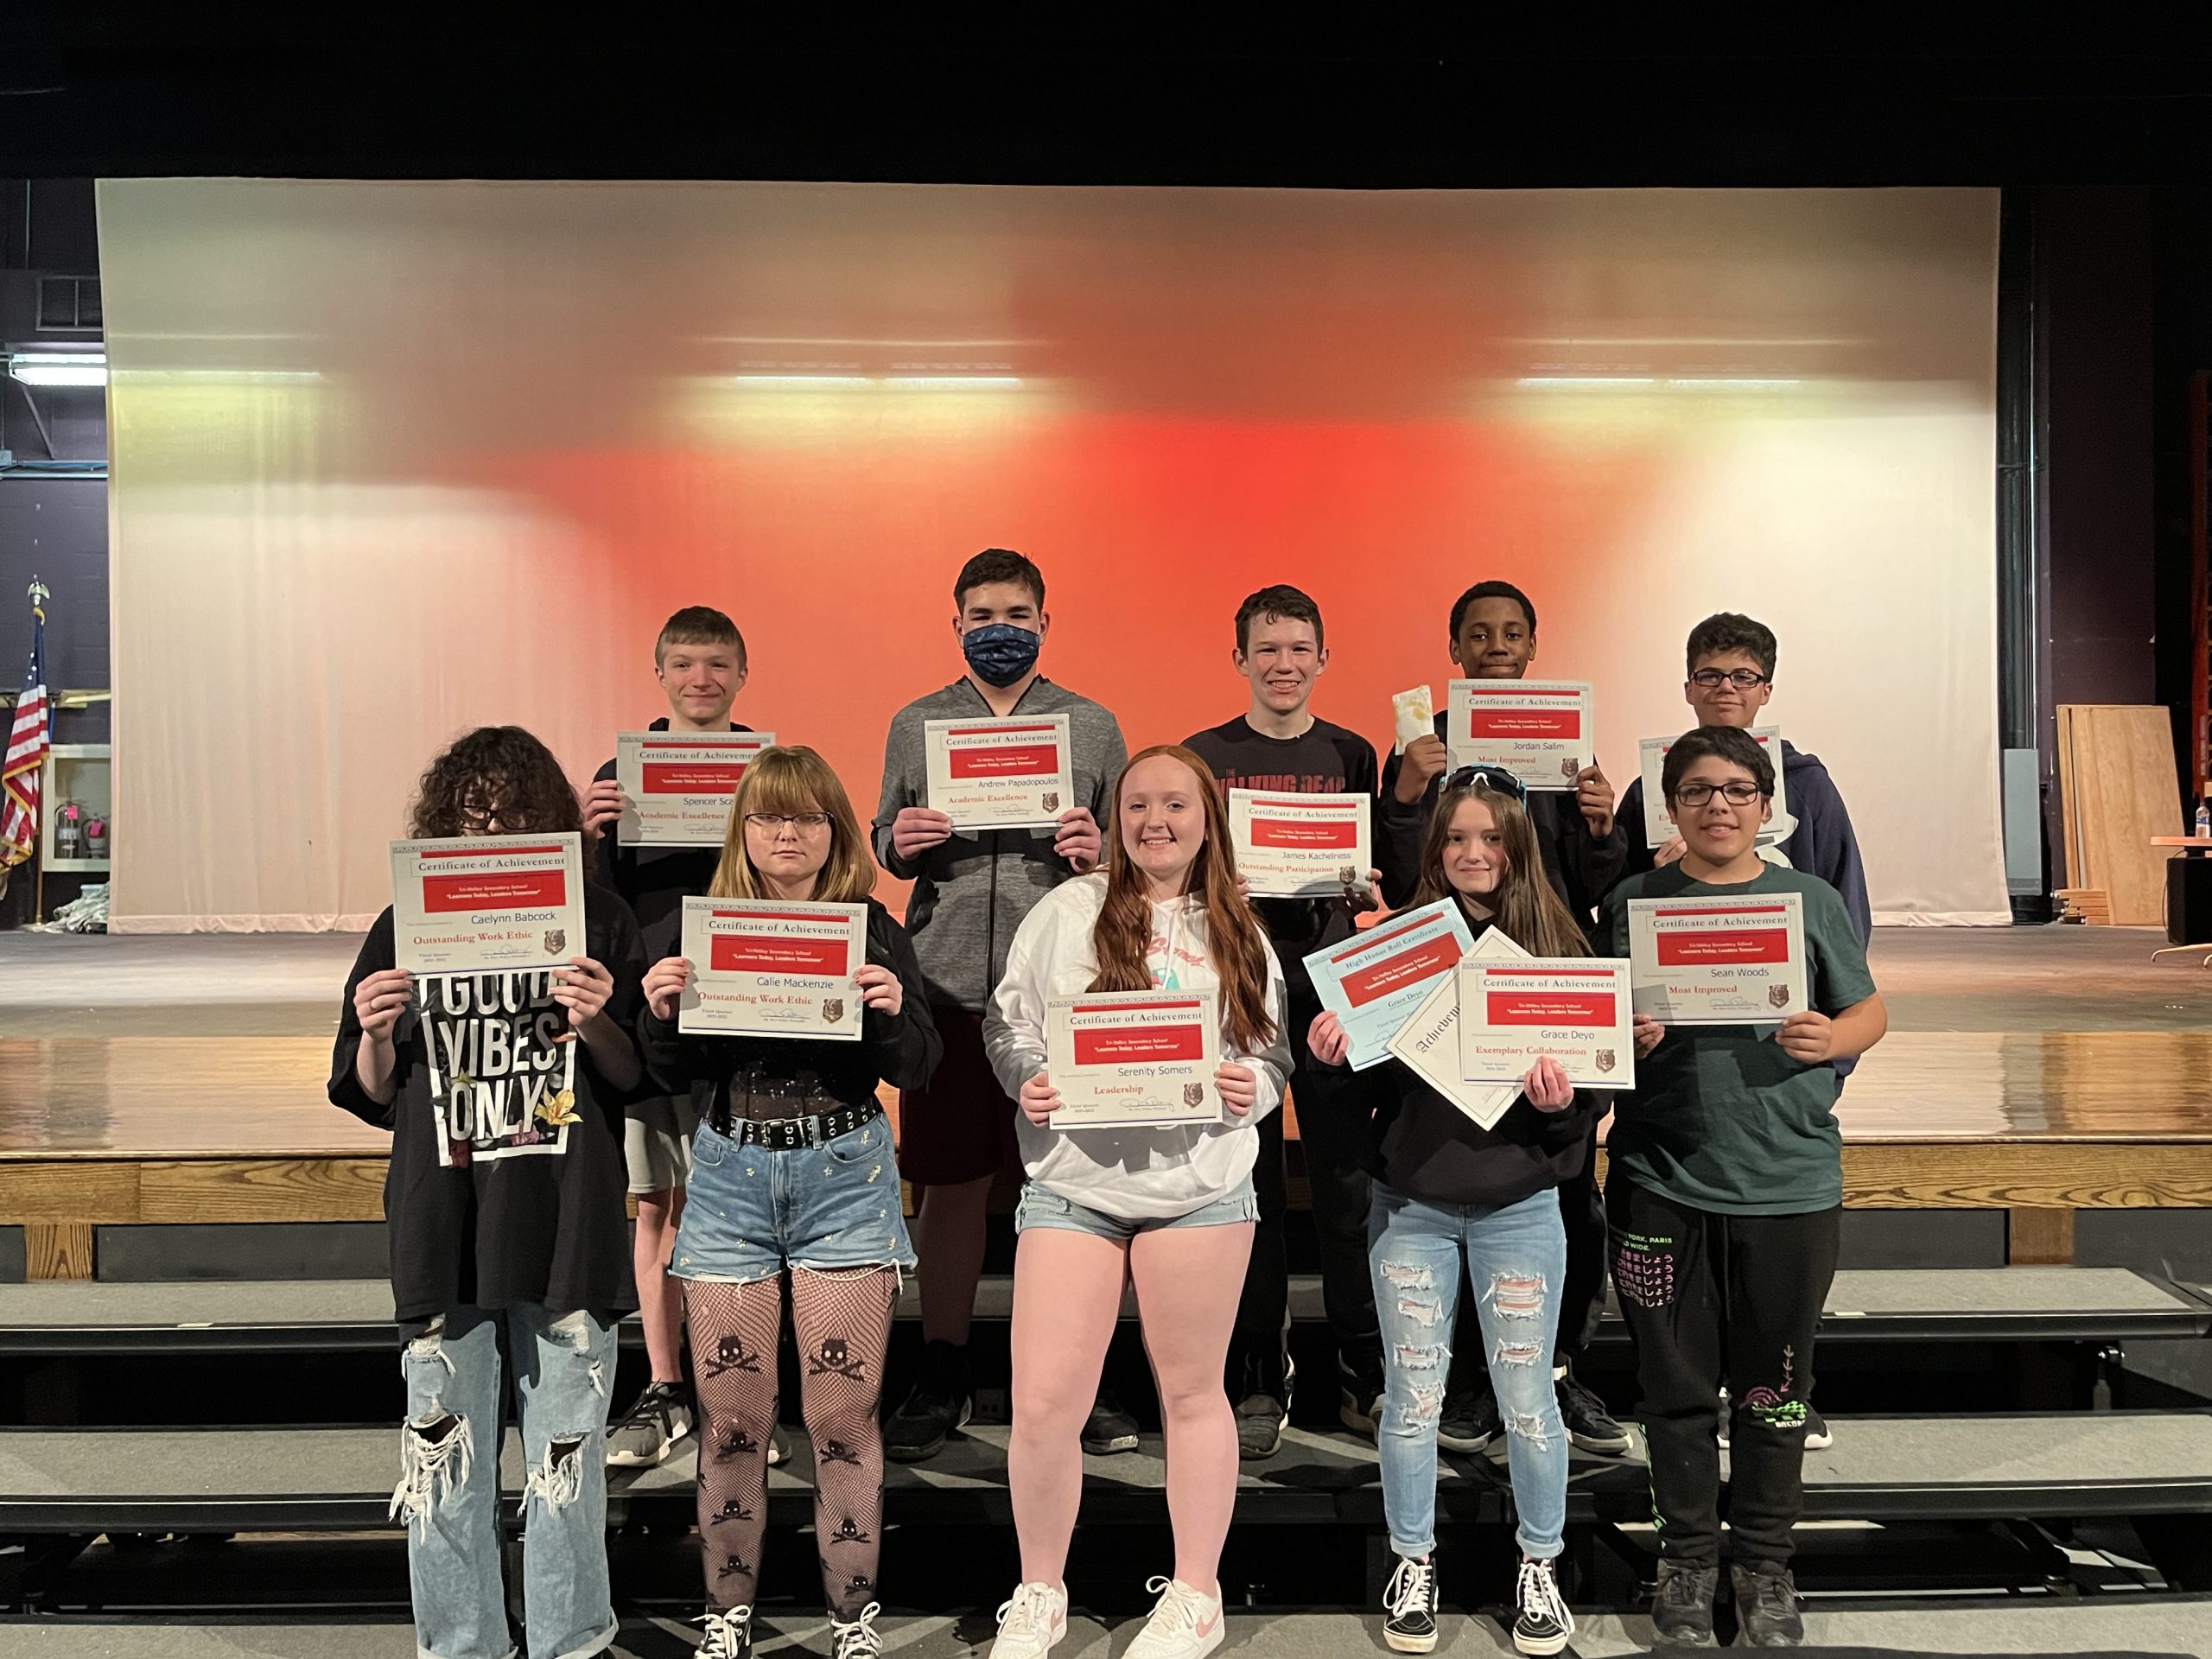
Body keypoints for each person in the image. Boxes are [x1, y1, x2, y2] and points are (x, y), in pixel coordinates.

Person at [330, 726, 644, 1659]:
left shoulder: (601, 921)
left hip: (566, 1228)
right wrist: (376, 1033)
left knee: (566, 1473)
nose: (490, 824)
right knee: (444, 1476)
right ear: (443, 820)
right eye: (471, 810)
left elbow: (635, 1077)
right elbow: (370, 1089)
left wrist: (593, 1023)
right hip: (443, 1227)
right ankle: (459, 1648)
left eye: (511, 810)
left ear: (546, 819)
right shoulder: (405, 922)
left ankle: (569, 1644)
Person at [982, 746, 1290, 1659]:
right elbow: (1010, 1021)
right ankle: (1038, 1591)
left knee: (1193, 1395)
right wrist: (1027, 1079)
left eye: (1176, 806)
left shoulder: (1237, 925)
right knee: (1041, 1405)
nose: (1156, 821)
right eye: (1138, 805)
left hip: (1198, 1191)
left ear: (1207, 819)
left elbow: (1271, 1051)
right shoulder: (1064, 910)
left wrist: (1253, 1087)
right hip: (1074, 1187)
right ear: (1115, 818)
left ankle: (1196, 1594)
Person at [638, 746, 940, 1659]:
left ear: (834, 832)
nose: (786, 834)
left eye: (807, 818)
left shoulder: (872, 930)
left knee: (842, 1419)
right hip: (731, 1177)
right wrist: (657, 1013)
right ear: (743, 832)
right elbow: (665, 1075)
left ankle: (852, 1620)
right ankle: (726, 1611)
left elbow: (920, 1065)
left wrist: (891, 1011)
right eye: (769, 817)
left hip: (842, 1175)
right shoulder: (703, 933)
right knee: (732, 1421)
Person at [1600, 727, 1887, 1649]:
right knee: (1672, 1388)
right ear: (1669, 806)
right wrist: (1623, 1041)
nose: (1716, 805)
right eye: (1695, 791)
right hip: (1659, 1183)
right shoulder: (1631, 902)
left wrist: (1834, 1041)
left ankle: (1764, 1563)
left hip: (1788, 1186)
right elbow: (1589, 1032)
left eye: (1735, 790)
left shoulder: (1805, 900)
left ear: (1767, 807)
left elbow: (1867, 1007)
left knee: (1774, 1392)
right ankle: (1686, 1558)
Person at [1309, 769, 1589, 1656]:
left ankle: (1539, 1566)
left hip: (1519, 1209)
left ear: (1517, 846)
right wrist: (1328, 1058)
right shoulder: (1400, 946)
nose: (1473, 854)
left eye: (1490, 839)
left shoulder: (1557, 950)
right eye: (1456, 839)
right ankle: (1411, 1560)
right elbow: (1364, 1090)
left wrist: (1559, 1104)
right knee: (1412, 1401)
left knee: (1526, 1404)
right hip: (1415, 1207)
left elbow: (1589, 1102)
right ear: (1434, 851)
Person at [873, 548, 1130, 1463]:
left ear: (1045, 621)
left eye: (1017, 613)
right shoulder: (917, 723)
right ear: (955, 624)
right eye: (982, 614)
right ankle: (943, 1367)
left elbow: (1129, 853)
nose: (999, 628)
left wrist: (1099, 849)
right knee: (950, 1189)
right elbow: (882, 836)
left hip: (1059, 989)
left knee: (1061, 1192)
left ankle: (1062, 1378)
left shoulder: (1092, 726)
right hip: (941, 986)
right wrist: (897, 841)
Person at [1377, 579, 1630, 1460]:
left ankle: (1559, 1373)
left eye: (1510, 633)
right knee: (1461, 1187)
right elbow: (1406, 870)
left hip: (1544, 978)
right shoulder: (1421, 747)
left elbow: (1595, 884)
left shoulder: (1566, 755)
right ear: (1454, 651)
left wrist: (1600, 830)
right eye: (1476, 633)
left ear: (1531, 647)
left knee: (1565, 1199)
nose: (1494, 645)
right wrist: (1407, 797)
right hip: (1448, 987)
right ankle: (1474, 1385)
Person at [1182, 583, 1389, 1455]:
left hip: (1332, 992)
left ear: (1322, 658)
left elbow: (1377, 873)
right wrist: (1207, 891)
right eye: (1266, 649)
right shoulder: (1200, 754)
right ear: (1239, 659)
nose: (1283, 664)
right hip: (1235, 990)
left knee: (1345, 1187)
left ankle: (1358, 1364)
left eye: (1299, 649)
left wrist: (1369, 893)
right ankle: (1258, 1371)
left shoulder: (1352, 753)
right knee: (1247, 1190)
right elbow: (1172, 870)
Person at [582, 605, 755, 1469]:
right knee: (656, 1201)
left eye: (716, 664)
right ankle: (664, 1383)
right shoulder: (622, 775)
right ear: (660, 674)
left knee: (737, 1206)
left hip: (750, 1013)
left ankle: (737, 1384)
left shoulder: (769, 775)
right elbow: (597, 900)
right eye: (684, 664)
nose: (700, 679)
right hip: (652, 1019)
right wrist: (589, 838)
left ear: (740, 675)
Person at [1616, 612, 1872, 946]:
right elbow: (1620, 895)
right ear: (1689, 689)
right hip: (1681, 964)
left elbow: (1843, 894)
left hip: (1785, 967)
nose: (1726, 687)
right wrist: (1658, 878)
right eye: (1710, 676)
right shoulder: (1651, 788)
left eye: (1743, 676)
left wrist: (1837, 987)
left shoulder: (1807, 784)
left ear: (1766, 690)